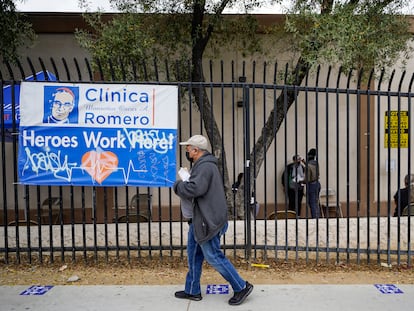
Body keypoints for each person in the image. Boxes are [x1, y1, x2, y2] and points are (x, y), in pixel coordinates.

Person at [173, 134, 253, 306]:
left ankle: (241, 286)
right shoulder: (203, 165)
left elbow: (195, 189)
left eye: (188, 147)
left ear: (195, 150)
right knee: (194, 255)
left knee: (213, 256)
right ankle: (192, 290)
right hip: (200, 219)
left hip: (208, 221)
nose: (186, 150)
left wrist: (178, 185)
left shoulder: (205, 167)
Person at [304, 148, 321, 218]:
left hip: (311, 185)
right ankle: (317, 216)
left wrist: (301, 181)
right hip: (317, 183)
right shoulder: (316, 163)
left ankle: (314, 218)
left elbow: (307, 178)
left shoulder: (307, 166)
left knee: (312, 203)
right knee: (316, 201)